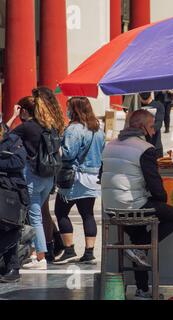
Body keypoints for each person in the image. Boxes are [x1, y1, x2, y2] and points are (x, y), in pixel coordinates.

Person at [101, 109, 173, 299]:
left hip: (112, 208)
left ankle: (142, 288)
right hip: (133, 205)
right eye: (152, 127)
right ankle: (141, 248)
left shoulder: (110, 145)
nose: (154, 132)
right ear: (141, 127)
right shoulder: (145, 149)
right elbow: (155, 184)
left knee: (138, 236)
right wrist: (161, 200)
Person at [13, 88, 65, 270]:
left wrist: (12, 117)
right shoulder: (49, 126)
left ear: (25, 111)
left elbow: (5, 138)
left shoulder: (27, 127)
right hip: (48, 177)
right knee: (38, 216)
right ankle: (36, 253)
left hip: (33, 176)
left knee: (35, 217)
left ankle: (40, 257)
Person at [52, 97, 105, 265]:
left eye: (68, 108)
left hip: (75, 177)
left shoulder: (74, 129)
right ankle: (89, 253)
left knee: (61, 211)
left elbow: (68, 154)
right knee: (87, 214)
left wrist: (56, 147)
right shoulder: (98, 129)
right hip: (92, 176)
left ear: (74, 110)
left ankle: (69, 250)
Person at [0, 120, 29, 283]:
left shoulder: (13, 140)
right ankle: (10, 267)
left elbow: (17, 162)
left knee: (10, 228)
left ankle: (13, 268)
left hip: (11, 193)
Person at [139, 92, 165, 159]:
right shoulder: (136, 106)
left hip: (155, 146)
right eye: (142, 100)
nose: (144, 102)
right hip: (140, 148)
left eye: (146, 100)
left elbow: (158, 124)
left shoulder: (158, 105)